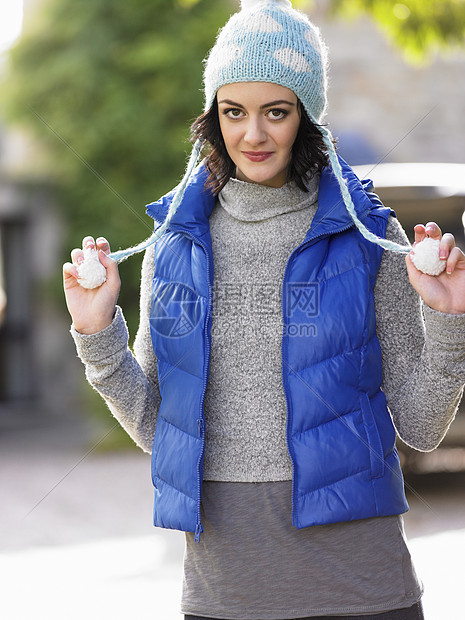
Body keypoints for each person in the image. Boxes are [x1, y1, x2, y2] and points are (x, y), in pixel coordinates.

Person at [63, 1, 465, 618]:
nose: (253, 135)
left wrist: (447, 321)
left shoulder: (366, 237)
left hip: (361, 594)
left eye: (276, 112)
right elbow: (157, 428)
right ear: (213, 116)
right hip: (224, 595)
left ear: (305, 116)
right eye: (234, 112)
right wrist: (97, 334)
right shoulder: (176, 243)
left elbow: (420, 426)